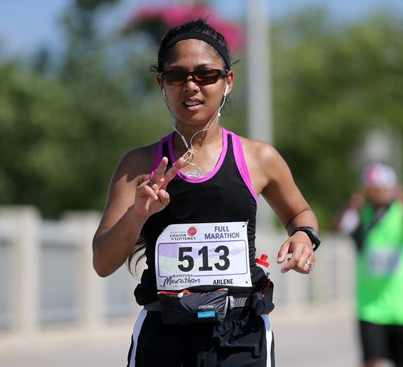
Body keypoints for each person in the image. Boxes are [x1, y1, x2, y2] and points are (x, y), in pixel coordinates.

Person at [92, 18, 320, 367]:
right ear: (161, 84)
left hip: (242, 336)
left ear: (228, 81)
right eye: (176, 76)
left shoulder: (260, 158)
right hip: (163, 335)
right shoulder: (138, 164)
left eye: (205, 74)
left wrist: (304, 237)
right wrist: (138, 213)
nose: (190, 86)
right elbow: (103, 262)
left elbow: (300, 215)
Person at [335, 162, 403, 367]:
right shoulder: (362, 214)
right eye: (371, 188)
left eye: (380, 188)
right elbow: (338, 227)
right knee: (370, 359)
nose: (377, 193)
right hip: (370, 306)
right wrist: (352, 206)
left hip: (402, 306)